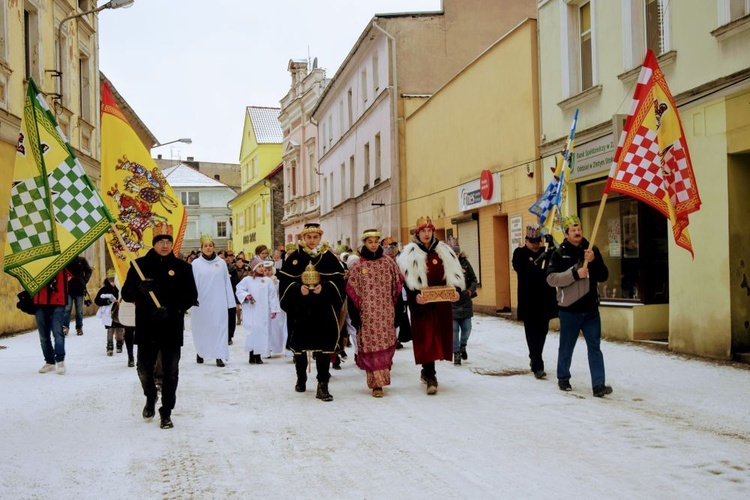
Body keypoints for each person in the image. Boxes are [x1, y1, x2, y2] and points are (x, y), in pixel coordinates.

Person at [121, 222, 198, 429]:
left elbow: (191, 295)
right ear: (153, 244)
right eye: (161, 241)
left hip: (171, 326)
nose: (165, 245)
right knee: (144, 369)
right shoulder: (139, 265)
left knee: (171, 371)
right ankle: (150, 395)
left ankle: (166, 412)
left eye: (168, 241)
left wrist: (173, 310)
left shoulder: (182, 268)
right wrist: (140, 288)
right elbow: (126, 294)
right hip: (147, 326)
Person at [278, 223, 346, 402]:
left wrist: (324, 287)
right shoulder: (294, 258)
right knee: (300, 347)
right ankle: (301, 377)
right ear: (303, 238)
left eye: (315, 237)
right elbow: (284, 284)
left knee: (324, 346)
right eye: (308, 237)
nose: (312, 241)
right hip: (300, 310)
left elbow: (339, 282)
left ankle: (322, 384)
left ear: (320, 238)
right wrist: (298, 288)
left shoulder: (329, 257)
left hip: (322, 309)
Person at [396, 216, 463, 395]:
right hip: (421, 305)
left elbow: (454, 275)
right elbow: (406, 281)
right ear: (418, 233)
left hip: (440, 304)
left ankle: (427, 371)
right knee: (426, 337)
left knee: (438, 336)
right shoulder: (409, 253)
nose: (426, 234)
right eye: (423, 231)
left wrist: (456, 291)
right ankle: (431, 375)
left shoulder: (444, 251)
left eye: (429, 231)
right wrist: (415, 296)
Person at [547, 215, 612, 397]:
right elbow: (551, 279)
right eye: (573, 230)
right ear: (566, 234)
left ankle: (598, 385)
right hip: (570, 310)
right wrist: (575, 274)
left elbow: (603, 276)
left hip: (591, 310)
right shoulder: (559, 253)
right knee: (567, 346)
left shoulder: (591, 250)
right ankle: (563, 377)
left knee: (595, 347)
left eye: (579, 229)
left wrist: (594, 261)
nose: (577, 232)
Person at [346, 229, 403, 398]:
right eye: (369, 241)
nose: (373, 244)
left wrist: (398, 311)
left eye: (376, 241)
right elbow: (351, 292)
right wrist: (355, 317)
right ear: (364, 243)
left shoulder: (389, 263)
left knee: (385, 347)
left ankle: (383, 379)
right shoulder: (358, 266)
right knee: (371, 347)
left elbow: (398, 288)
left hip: (386, 315)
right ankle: (376, 384)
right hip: (367, 316)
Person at [512, 225, 559, 379]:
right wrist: (537, 261)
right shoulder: (519, 253)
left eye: (538, 241)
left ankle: (535, 357)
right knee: (532, 333)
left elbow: (558, 259)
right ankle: (537, 363)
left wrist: (552, 245)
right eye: (532, 241)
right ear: (526, 240)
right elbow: (522, 269)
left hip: (545, 298)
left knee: (543, 331)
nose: (536, 244)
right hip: (528, 299)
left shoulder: (545, 251)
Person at [190, 235, 235, 367]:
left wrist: (230, 302)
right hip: (201, 302)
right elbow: (192, 283)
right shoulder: (196, 264)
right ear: (201, 248)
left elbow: (227, 282)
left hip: (218, 301)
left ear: (214, 247)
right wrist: (192, 299)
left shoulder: (221, 263)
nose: (208, 248)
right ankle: (200, 351)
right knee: (202, 328)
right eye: (206, 246)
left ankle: (219, 355)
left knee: (219, 327)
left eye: (210, 245)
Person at [236, 258, 280, 363]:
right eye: (259, 267)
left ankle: (258, 355)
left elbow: (272, 296)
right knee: (252, 332)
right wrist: (247, 295)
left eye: (262, 266)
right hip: (251, 311)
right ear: (254, 268)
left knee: (262, 332)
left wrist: (273, 309)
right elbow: (239, 289)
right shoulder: (248, 280)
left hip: (264, 311)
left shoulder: (268, 281)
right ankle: (252, 355)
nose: (261, 269)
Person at [447, 236, 478, 366]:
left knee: (467, 328)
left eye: (457, 252)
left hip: (465, 300)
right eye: (453, 253)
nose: (456, 255)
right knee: (454, 330)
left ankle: (463, 345)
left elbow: (474, 279)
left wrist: (470, 291)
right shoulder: (445, 265)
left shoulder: (465, 263)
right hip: (451, 301)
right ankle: (456, 353)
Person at [33, 269, 71, 375]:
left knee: (57, 332)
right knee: (43, 335)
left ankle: (60, 360)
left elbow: (76, 271)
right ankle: (49, 361)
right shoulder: (37, 258)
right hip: (40, 300)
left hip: (59, 300)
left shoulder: (63, 259)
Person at [94, 269, 124, 357]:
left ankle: (119, 343)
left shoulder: (120, 288)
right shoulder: (104, 289)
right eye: (111, 281)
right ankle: (109, 346)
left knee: (119, 330)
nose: (113, 283)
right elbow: (97, 300)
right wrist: (106, 301)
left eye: (114, 281)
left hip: (118, 312)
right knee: (110, 330)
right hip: (108, 314)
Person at [64, 254, 92, 336]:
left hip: (79, 288)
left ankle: (79, 327)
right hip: (68, 288)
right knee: (67, 309)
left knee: (79, 310)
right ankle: (65, 327)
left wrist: (84, 280)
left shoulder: (81, 260)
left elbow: (88, 270)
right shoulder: (65, 261)